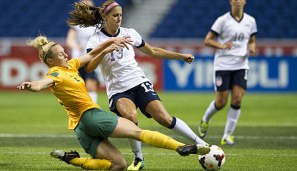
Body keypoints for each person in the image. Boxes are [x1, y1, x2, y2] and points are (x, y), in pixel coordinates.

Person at [17, 35, 210, 170]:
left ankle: (72, 159)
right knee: (137, 132)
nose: (66, 55)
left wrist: (108, 45)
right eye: (60, 54)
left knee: (118, 165)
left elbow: (90, 56)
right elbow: (42, 83)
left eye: (64, 52)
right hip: (91, 117)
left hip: (80, 128)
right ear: (50, 61)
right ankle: (179, 147)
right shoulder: (56, 74)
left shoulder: (71, 66)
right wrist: (31, 85)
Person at [67, 1, 209, 170]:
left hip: (139, 81)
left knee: (164, 118)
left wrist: (180, 56)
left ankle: (202, 145)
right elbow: (89, 67)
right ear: (104, 16)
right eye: (115, 15)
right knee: (131, 118)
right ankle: (138, 159)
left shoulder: (130, 33)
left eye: (120, 15)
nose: (119, 19)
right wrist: (106, 49)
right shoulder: (96, 40)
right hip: (118, 89)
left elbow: (153, 51)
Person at [197, 0, 257, 145]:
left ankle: (227, 136)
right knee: (221, 102)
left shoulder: (250, 21)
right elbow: (207, 40)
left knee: (237, 99)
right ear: (230, 2)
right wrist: (221, 45)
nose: (238, 2)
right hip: (223, 65)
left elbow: (252, 40)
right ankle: (205, 120)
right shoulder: (222, 20)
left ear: (244, 1)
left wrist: (252, 47)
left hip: (241, 65)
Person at [66, 0, 100, 103]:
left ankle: (93, 108)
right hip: (79, 59)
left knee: (91, 85)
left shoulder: (98, 25)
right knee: (79, 87)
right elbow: (69, 41)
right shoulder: (76, 25)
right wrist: (76, 46)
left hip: (92, 58)